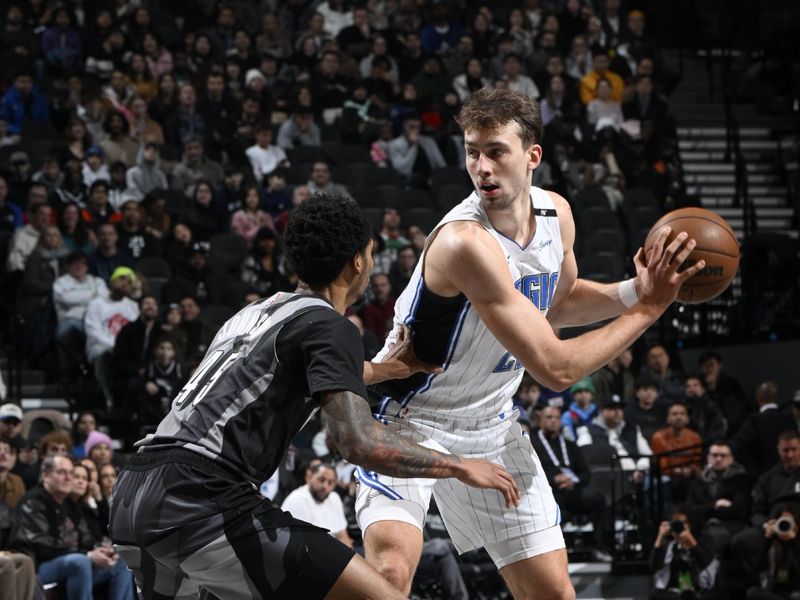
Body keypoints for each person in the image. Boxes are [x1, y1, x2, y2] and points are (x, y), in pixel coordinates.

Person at [357, 87, 704, 598]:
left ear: (532, 156)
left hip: (492, 425)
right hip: (410, 419)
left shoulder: (556, 214)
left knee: (553, 594)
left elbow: (557, 306)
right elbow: (557, 369)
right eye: (472, 151)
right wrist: (653, 308)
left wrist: (636, 290)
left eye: (496, 151)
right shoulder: (464, 242)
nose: (482, 167)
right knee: (389, 581)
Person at [109, 193, 518, 599]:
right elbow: (357, 442)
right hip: (201, 496)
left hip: (134, 491)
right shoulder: (330, 324)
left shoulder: (256, 312)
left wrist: (388, 369)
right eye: (371, 255)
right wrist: (460, 466)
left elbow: (299, 371)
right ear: (358, 261)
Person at [14, 455, 134, 600]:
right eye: (61, 472)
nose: (68, 478)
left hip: (75, 562)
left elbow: (86, 537)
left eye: (70, 473)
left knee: (121, 559)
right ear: (45, 475)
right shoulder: (33, 502)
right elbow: (41, 545)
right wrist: (88, 555)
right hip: (40, 566)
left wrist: (100, 551)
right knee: (79, 562)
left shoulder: (69, 503)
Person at [531, 406, 610, 561]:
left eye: (556, 417)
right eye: (548, 417)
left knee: (598, 499)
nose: (552, 421)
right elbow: (531, 472)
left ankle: (599, 547)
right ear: (540, 421)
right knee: (553, 505)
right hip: (549, 491)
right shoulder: (533, 445)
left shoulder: (570, 445)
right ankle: (555, 555)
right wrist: (554, 479)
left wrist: (573, 480)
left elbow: (586, 474)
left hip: (573, 489)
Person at [684, 441, 750, 554]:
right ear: (708, 458)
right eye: (714, 455)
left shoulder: (742, 480)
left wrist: (705, 510)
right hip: (701, 526)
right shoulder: (699, 481)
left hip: (731, 527)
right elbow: (690, 510)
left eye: (723, 456)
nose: (718, 459)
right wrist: (714, 505)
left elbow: (740, 511)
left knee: (714, 537)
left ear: (731, 459)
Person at [650, 510, 720, 599]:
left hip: (699, 591)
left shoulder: (703, 541)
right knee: (655, 594)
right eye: (676, 526)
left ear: (690, 525)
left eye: (683, 524)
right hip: (673, 593)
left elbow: (707, 564)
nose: (679, 529)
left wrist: (691, 542)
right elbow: (653, 566)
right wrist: (660, 537)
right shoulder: (669, 546)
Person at [281, 461, 352, 546]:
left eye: (330, 482)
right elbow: (302, 544)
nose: (325, 486)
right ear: (310, 478)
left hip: (332, 551)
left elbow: (342, 535)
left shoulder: (334, 497)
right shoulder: (297, 500)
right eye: (321, 480)